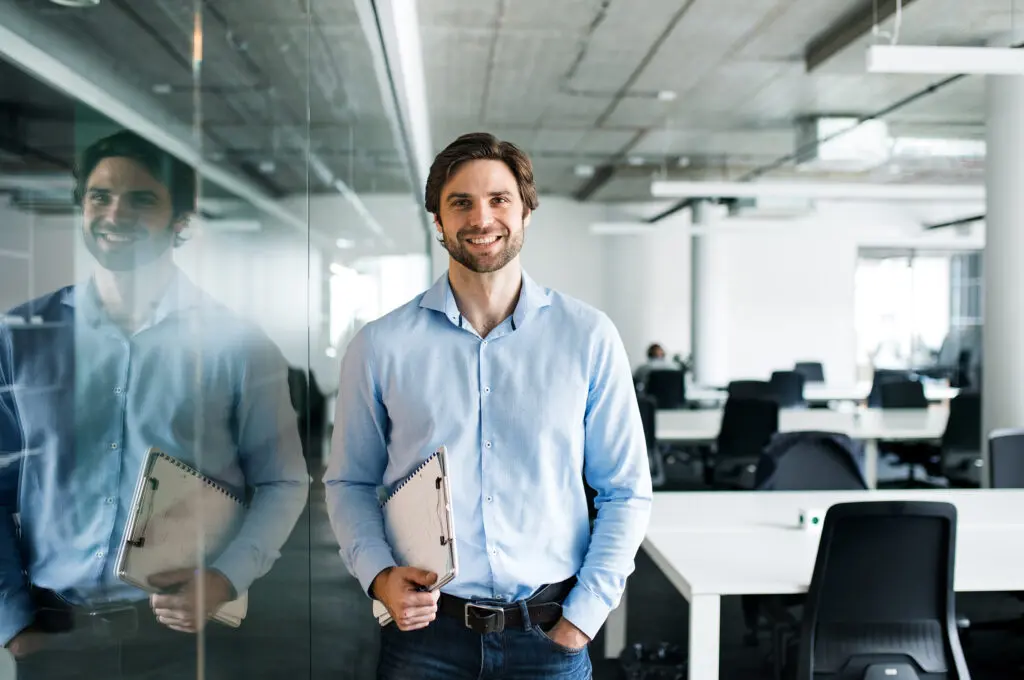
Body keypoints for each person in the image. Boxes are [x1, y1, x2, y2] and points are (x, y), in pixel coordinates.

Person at [324, 132, 652, 679]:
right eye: (461, 202)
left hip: (550, 634)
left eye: (499, 199)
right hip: (425, 637)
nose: (482, 217)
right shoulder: (381, 345)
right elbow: (349, 483)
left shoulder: (587, 336)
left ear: (526, 212)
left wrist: (584, 616)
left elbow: (625, 489)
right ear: (438, 221)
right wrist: (379, 575)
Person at [0, 130, 309, 677]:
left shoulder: (238, 344)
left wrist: (226, 577)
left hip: (184, 638)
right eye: (100, 196)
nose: (115, 214)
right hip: (52, 638)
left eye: (141, 199)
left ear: (180, 221)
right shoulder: (20, 338)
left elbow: (283, 482)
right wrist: (11, 620)